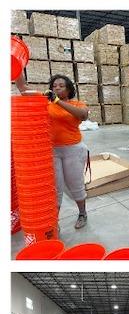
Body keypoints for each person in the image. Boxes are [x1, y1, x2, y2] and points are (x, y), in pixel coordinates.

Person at [14, 73, 90, 229]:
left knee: (75, 184)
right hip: (52, 151)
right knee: (55, 188)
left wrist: (57, 101)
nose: (57, 88)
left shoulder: (77, 104)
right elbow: (23, 88)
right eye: (54, 86)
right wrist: (16, 66)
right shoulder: (45, 102)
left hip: (73, 150)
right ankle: (54, 221)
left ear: (69, 90)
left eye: (61, 86)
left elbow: (83, 116)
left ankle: (82, 213)